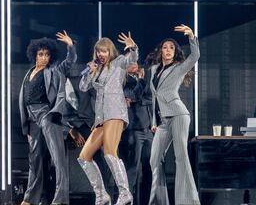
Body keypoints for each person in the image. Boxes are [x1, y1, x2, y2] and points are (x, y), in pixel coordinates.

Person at [78, 32, 138, 205]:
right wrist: (89, 71)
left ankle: (125, 194)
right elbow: (83, 87)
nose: (100, 55)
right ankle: (102, 195)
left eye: (104, 51)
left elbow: (132, 59)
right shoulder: (97, 70)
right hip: (101, 118)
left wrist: (132, 47)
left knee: (110, 152)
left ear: (110, 51)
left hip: (115, 112)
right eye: (98, 52)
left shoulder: (118, 63)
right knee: (84, 157)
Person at [19, 31, 77, 205]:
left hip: (47, 115)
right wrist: (27, 126)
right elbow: (24, 100)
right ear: (35, 55)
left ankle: (60, 200)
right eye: (41, 54)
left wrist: (70, 46)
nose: (44, 58)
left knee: (58, 158)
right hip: (32, 118)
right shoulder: (29, 73)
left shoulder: (53, 70)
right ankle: (30, 199)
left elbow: (69, 62)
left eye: (47, 54)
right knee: (35, 160)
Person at [149, 24, 200, 205]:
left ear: (175, 52)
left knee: (181, 158)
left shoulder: (179, 67)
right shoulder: (154, 70)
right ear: (161, 51)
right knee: (154, 159)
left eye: (171, 48)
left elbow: (195, 56)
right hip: (162, 121)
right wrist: (154, 121)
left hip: (179, 115)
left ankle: (187, 201)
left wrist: (191, 37)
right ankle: (159, 201)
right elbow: (154, 97)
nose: (168, 50)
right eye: (165, 47)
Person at [119, 62, 153, 205]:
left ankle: (148, 201)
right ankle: (127, 201)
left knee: (149, 169)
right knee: (131, 169)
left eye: (136, 63)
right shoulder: (123, 81)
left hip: (149, 130)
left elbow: (151, 99)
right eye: (131, 63)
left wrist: (137, 100)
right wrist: (140, 82)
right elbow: (133, 95)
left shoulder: (144, 80)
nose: (136, 66)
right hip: (133, 130)